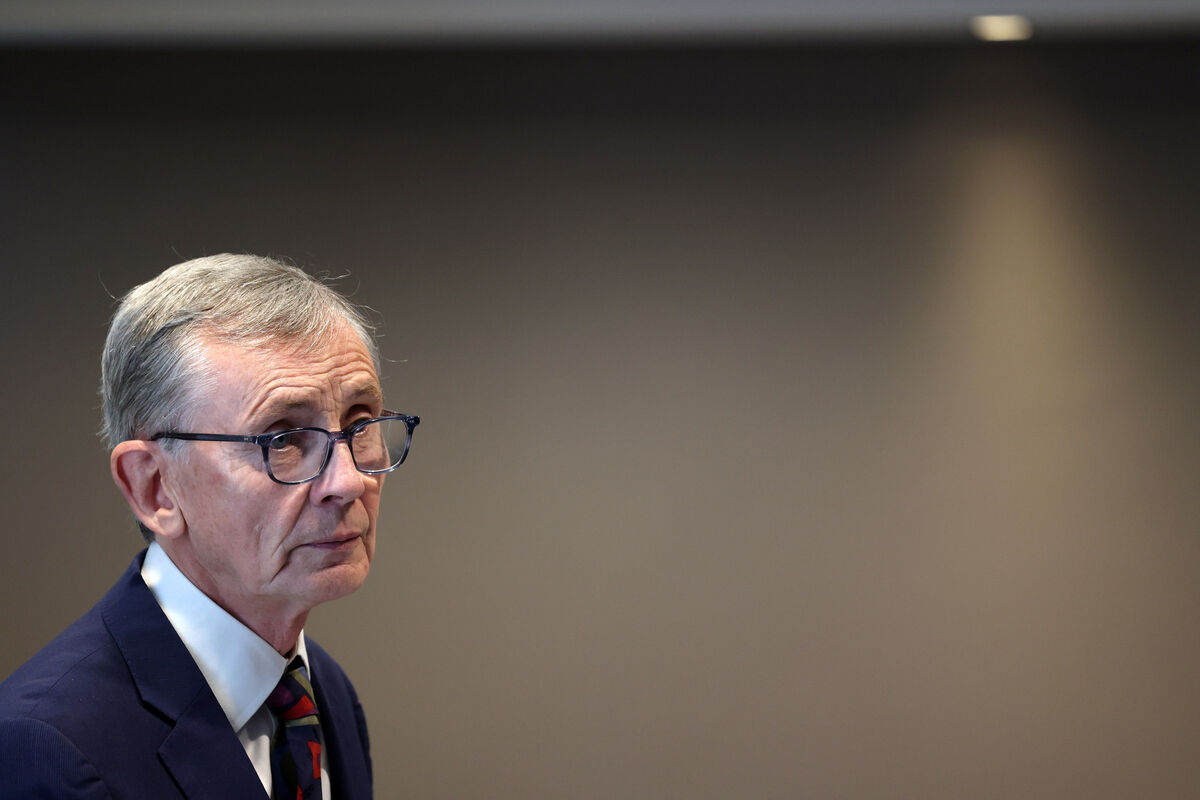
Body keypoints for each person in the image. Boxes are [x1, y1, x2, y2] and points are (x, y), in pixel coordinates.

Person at [0, 254, 418, 799]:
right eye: (283, 439)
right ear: (155, 487)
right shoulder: (47, 749)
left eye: (360, 423)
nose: (347, 481)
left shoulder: (323, 692)